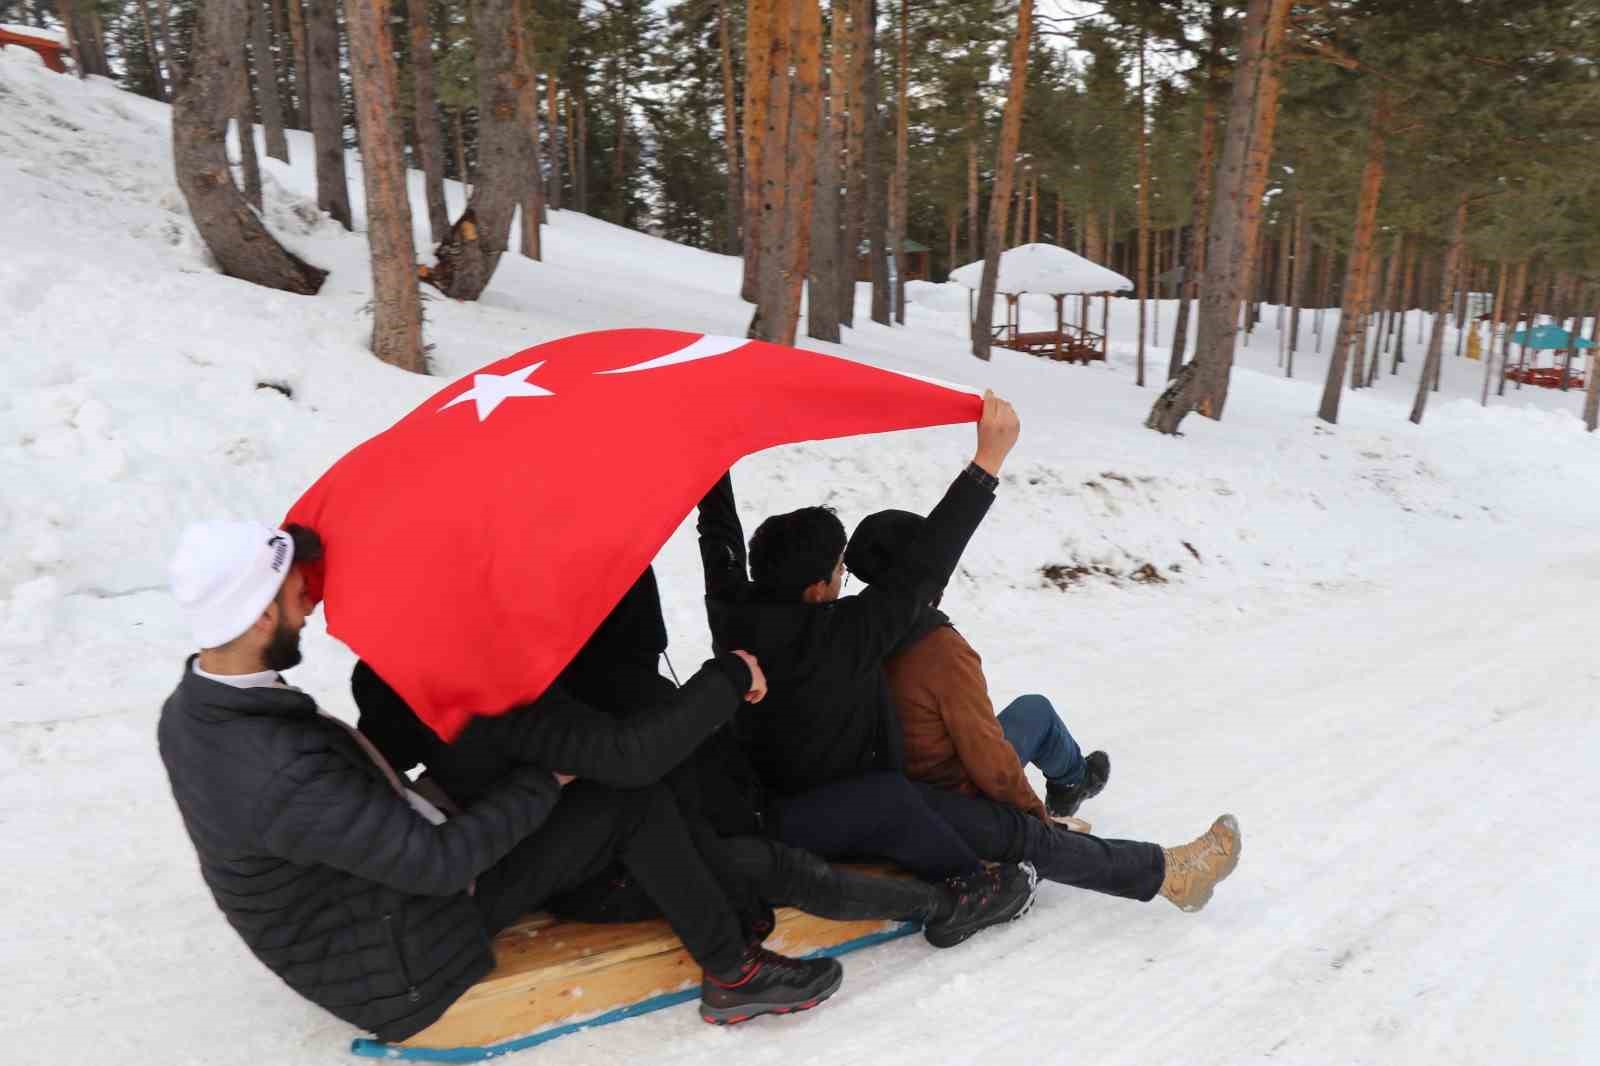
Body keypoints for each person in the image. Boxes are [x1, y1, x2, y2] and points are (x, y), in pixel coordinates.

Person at [156, 520, 844, 1042]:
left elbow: (359, 794)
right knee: (623, 797)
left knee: (563, 781)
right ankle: (735, 972)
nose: (309, 602)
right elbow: (437, 864)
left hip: (369, 911)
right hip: (400, 962)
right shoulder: (276, 764)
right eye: (295, 593)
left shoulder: (202, 706)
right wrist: (544, 779)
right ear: (260, 616)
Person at [701, 393, 1243, 913]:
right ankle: (1168, 874)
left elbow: (718, 538)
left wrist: (707, 447)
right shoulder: (842, 635)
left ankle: (1120, 832)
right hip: (841, 813)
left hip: (787, 802)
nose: (845, 579)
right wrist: (987, 463)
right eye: (839, 570)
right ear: (815, 590)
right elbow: (923, 569)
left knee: (1004, 775)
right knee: (1019, 833)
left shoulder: (735, 615)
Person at [351, 563, 1036, 954]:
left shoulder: (438, 693)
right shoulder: (522, 705)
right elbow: (632, 759)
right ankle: (942, 904)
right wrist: (727, 682)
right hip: (594, 866)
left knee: (743, 847)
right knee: (769, 864)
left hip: (578, 846)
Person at [843, 507, 1110, 821]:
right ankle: (1073, 781)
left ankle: (1072, 779)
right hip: (949, 801)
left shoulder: (846, 626)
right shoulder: (939, 650)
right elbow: (989, 759)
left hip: (881, 788)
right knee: (1036, 711)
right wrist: (1036, 819)